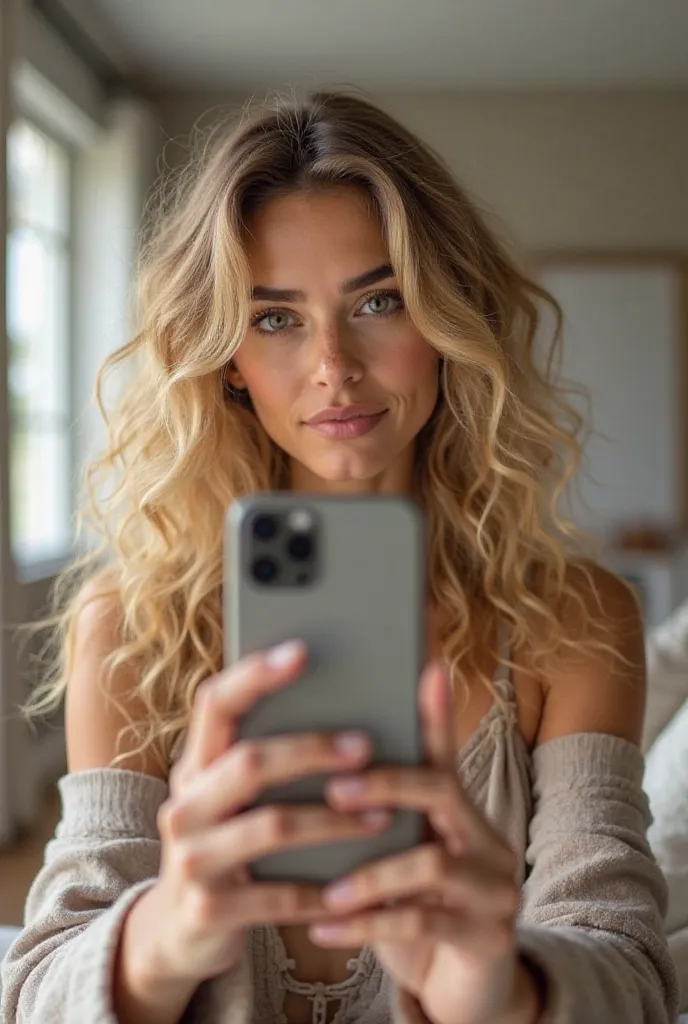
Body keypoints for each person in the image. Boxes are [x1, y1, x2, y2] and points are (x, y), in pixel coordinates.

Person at [0, 90, 678, 1024]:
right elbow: (36, 992)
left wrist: (496, 985)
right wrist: (163, 935)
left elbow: (629, 967)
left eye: (379, 300)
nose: (334, 366)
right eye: (276, 318)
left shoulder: (574, 617)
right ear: (227, 355)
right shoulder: (130, 630)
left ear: (447, 320)